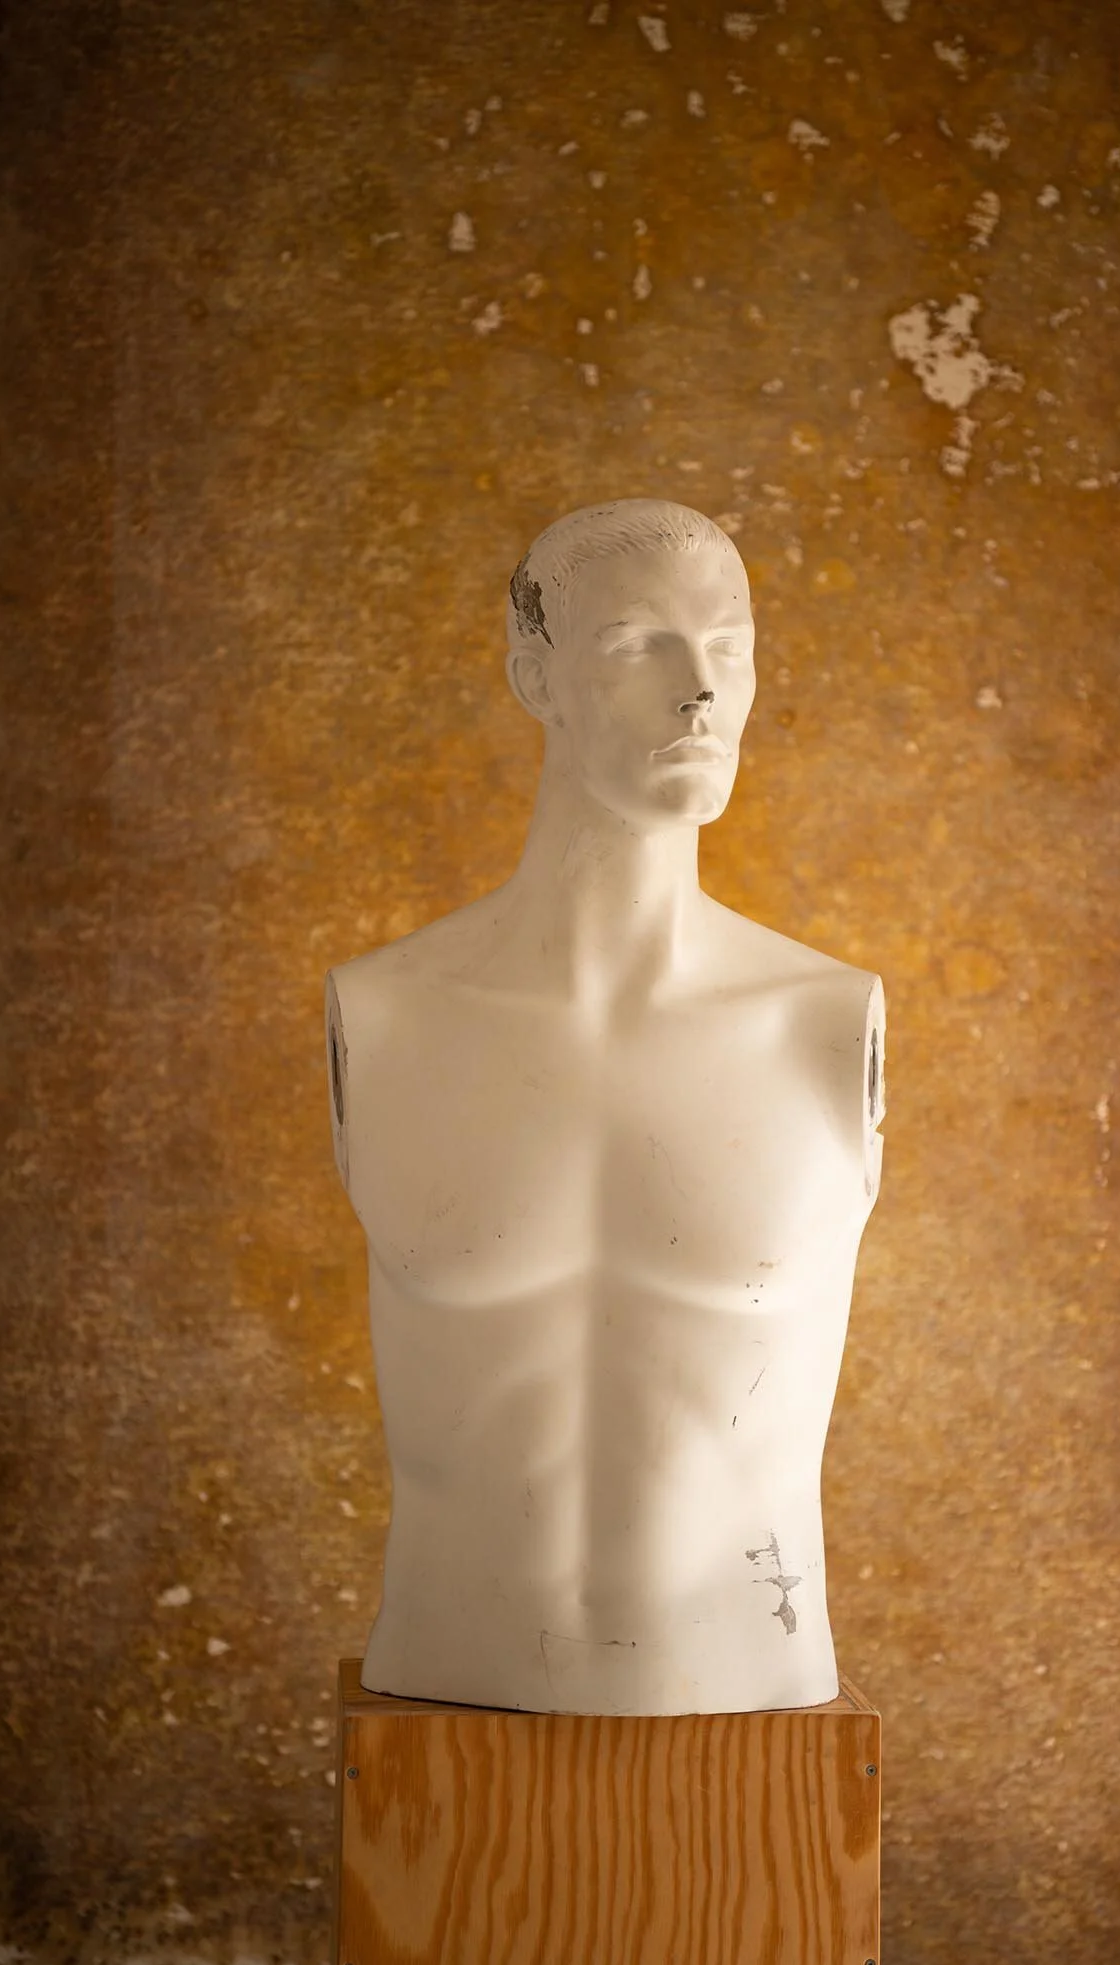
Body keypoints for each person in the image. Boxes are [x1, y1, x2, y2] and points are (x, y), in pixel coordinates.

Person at [326, 499, 884, 1714]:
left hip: (753, 1688)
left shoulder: (825, 1022)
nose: (700, 694)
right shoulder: (391, 1015)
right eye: (640, 644)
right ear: (536, 677)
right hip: (444, 1684)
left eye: (727, 648)